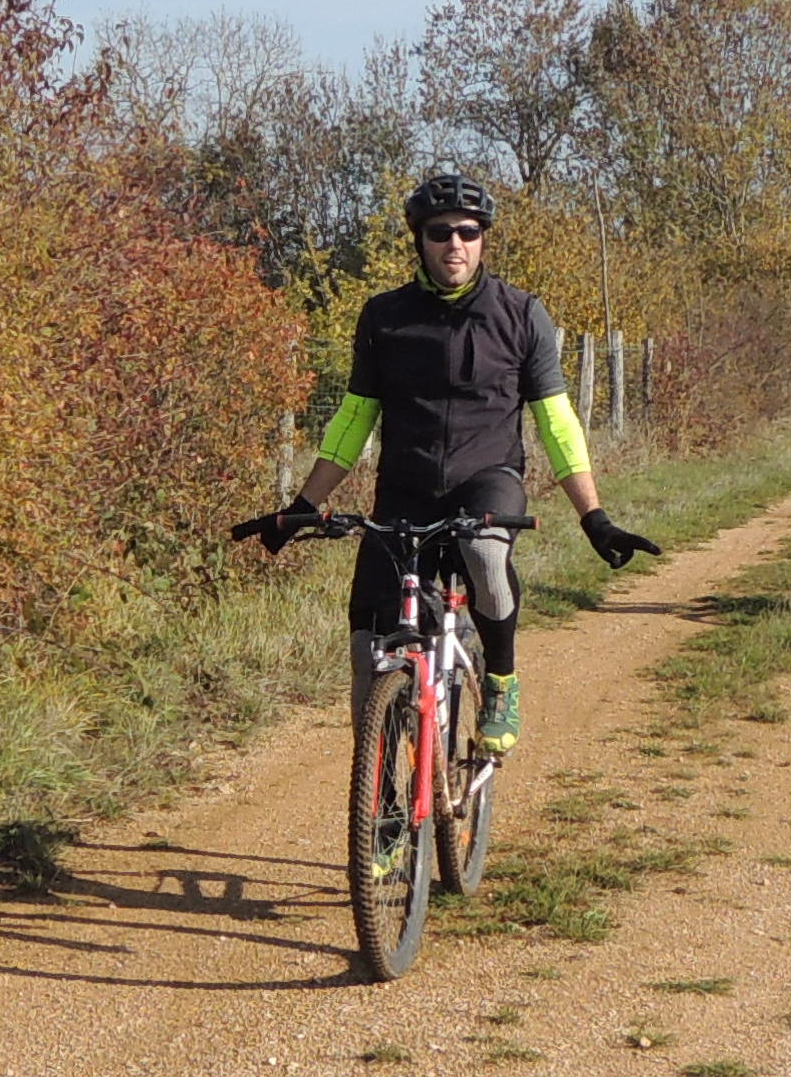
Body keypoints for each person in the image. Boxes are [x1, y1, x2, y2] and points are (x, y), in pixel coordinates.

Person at [253, 173, 660, 755]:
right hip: (405, 490)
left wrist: (594, 517)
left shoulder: (520, 314)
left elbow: (557, 423)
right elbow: (353, 419)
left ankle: (501, 682)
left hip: (487, 481)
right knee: (367, 645)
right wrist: (302, 505)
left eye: (468, 232)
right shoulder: (385, 317)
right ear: (419, 240)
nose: (455, 244)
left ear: (483, 238)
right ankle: (380, 790)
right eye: (440, 232)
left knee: (485, 555)